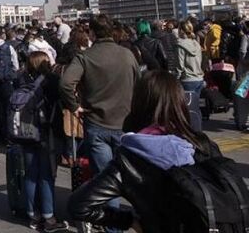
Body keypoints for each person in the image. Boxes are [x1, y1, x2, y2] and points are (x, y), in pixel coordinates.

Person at [68, 71, 223, 233]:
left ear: (138, 104)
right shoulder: (202, 144)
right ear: (180, 103)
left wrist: (129, 221)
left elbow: (79, 205)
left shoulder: (129, 157)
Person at [59, 14, 139, 233]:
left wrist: (75, 106)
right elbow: (140, 84)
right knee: (133, 179)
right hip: (125, 123)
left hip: (96, 123)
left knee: (106, 182)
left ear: (91, 33)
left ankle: (114, 228)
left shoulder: (85, 57)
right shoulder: (127, 55)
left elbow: (66, 83)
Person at [15, 52, 69, 232]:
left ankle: (33, 215)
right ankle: (49, 218)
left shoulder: (21, 78)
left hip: (25, 131)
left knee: (30, 174)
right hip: (47, 132)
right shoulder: (51, 80)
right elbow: (63, 100)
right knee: (46, 175)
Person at [177, 21, 205, 94]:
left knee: (187, 104)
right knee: (196, 104)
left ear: (181, 30)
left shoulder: (180, 44)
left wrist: (176, 77)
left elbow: (180, 65)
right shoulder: (196, 44)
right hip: (199, 78)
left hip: (187, 78)